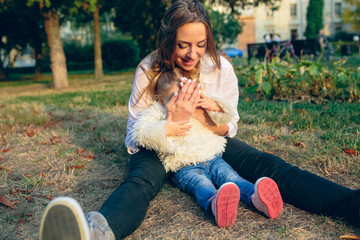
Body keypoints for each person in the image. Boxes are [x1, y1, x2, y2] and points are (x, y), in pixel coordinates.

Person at [39, 0, 360, 239]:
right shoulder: (149, 69)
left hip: (209, 138)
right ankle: (98, 232)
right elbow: (134, 137)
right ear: (167, 41)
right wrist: (173, 121)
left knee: (269, 165)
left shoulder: (220, 68)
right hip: (162, 143)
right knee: (141, 182)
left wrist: (203, 115)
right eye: (182, 45)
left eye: (200, 44)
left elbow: (229, 125)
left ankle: (351, 205)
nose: (192, 54)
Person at [130, 69, 283, 227]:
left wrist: (215, 107)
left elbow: (225, 118)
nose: (183, 103)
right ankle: (215, 204)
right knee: (201, 184)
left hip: (213, 157)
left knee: (233, 178)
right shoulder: (157, 112)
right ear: (162, 100)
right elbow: (141, 134)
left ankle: (256, 198)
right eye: (175, 98)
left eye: (187, 96)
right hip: (184, 166)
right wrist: (166, 128)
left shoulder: (198, 107)